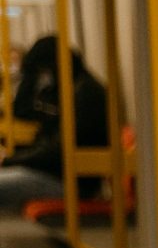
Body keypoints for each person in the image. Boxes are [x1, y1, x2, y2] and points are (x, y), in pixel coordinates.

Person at [0, 33, 110, 209]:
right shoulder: (66, 89)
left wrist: (10, 160)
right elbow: (21, 110)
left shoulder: (86, 95)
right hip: (54, 173)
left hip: (68, 181)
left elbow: (58, 150)